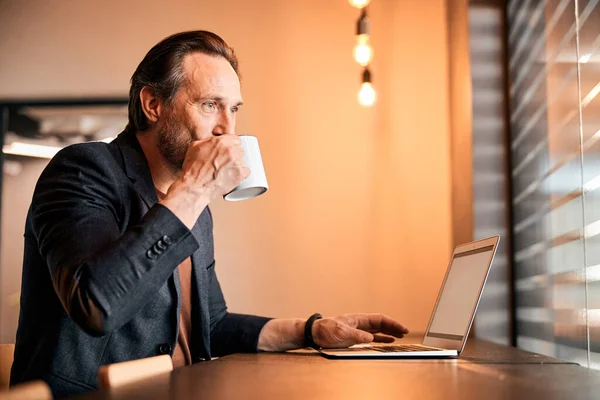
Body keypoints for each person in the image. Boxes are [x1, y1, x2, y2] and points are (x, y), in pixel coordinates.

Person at [10, 30, 409, 398]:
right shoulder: (84, 169)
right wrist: (195, 189)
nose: (226, 128)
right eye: (209, 105)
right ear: (153, 104)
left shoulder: (193, 205)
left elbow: (211, 324)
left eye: (233, 109)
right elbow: (94, 306)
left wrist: (310, 330)